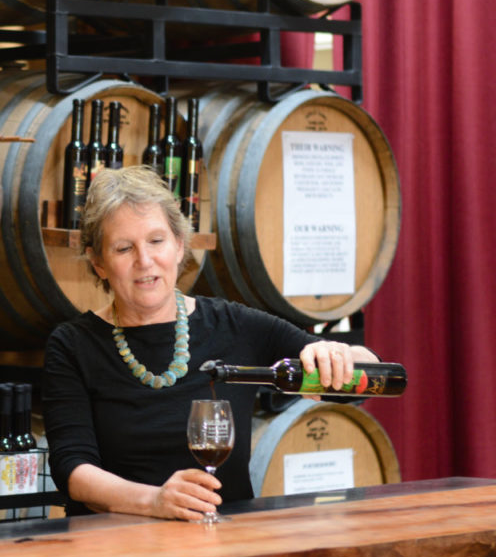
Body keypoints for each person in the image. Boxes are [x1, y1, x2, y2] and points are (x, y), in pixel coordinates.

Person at [42, 165, 379, 521]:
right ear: (98, 263)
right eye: (124, 248)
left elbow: (367, 375)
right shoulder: (73, 345)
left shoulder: (234, 325)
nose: (145, 260)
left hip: (225, 538)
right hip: (117, 542)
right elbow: (73, 469)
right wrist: (154, 502)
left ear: (179, 245)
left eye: (156, 241)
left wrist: (339, 354)